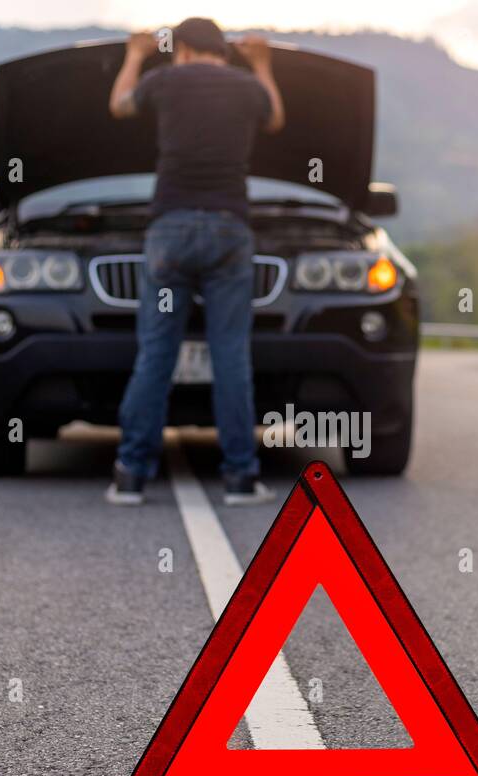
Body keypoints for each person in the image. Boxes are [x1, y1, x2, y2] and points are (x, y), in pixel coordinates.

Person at [106, 17, 285, 506]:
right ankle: (240, 479)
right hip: (229, 230)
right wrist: (264, 63)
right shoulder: (247, 86)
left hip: (170, 232)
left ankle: (131, 475)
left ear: (182, 49)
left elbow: (119, 105)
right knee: (231, 354)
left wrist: (137, 55)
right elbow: (275, 118)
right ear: (221, 51)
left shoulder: (164, 80)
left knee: (156, 351)